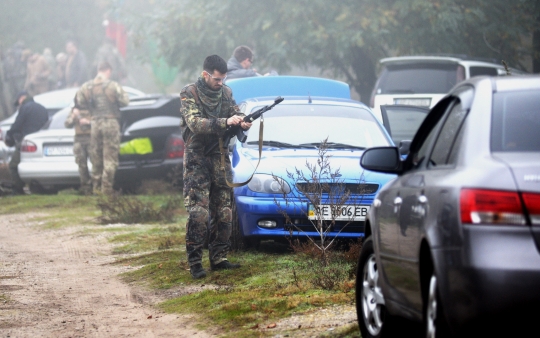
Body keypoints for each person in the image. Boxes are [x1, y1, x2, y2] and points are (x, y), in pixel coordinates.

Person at [180, 54, 251, 279]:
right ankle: (195, 262)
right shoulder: (189, 93)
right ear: (205, 74)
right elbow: (194, 123)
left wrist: (242, 120)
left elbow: (235, 111)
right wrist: (224, 122)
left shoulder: (226, 92)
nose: (221, 83)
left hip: (220, 159)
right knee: (198, 213)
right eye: (217, 79)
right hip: (197, 160)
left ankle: (219, 258)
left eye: (223, 79)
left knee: (224, 211)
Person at [75, 61, 129, 195]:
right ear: (108, 70)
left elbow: (80, 102)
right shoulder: (113, 85)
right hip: (110, 122)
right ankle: (106, 189)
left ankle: (96, 188)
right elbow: (125, 101)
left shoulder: (86, 87)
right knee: (110, 158)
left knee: (96, 157)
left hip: (95, 124)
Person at [6, 91, 49, 194]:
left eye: (18, 102)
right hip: (40, 141)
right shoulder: (42, 108)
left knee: (13, 165)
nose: (19, 105)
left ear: (21, 98)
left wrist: (10, 134)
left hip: (27, 141)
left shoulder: (25, 107)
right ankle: (41, 189)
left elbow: (17, 125)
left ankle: (18, 189)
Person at [64, 103, 92, 195]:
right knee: (81, 164)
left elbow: (99, 122)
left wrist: (88, 122)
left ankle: (97, 187)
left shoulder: (93, 107)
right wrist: (73, 116)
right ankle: (86, 188)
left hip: (92, 138)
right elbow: (67, 124)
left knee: (96, 164)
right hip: (79, 139)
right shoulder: (74, 110)